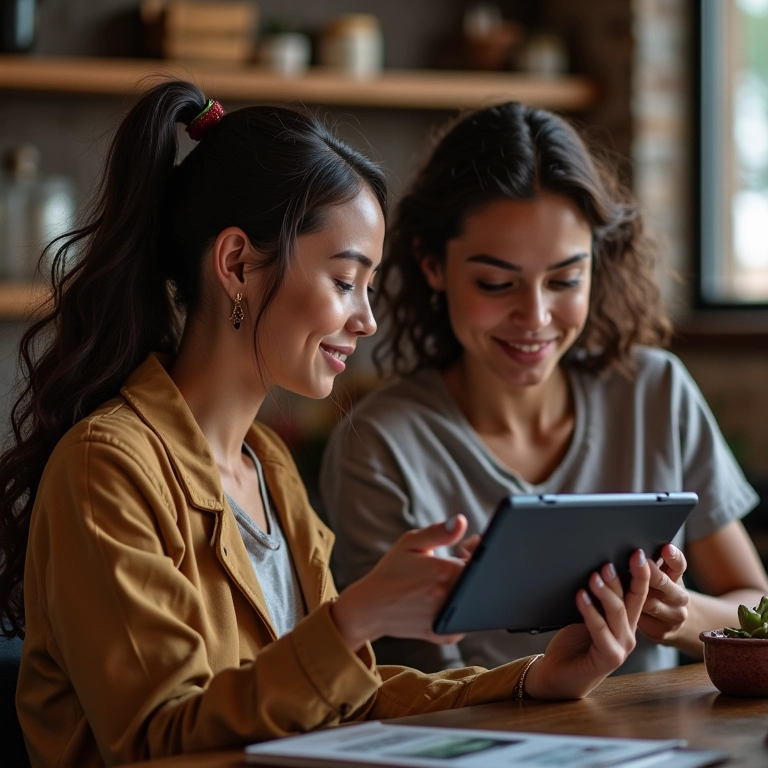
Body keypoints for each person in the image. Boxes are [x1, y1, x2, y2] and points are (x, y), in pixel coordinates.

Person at [0, 82, 651, 768]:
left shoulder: (267, 467)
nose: (367, 319)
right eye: (345, 281)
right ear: (236, 264)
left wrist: (533, 678)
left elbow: (347, 699)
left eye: (369, 287)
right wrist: (355, 618)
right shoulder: (107, 469)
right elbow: (157, 738)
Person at [320, 101, 768, 676]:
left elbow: (753, 609)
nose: (534, 316)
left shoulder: (655, 391)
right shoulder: (380, 444)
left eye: (565, 280)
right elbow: (407, 686)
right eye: (496, 282)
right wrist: (547, 681)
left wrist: (678, 617)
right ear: (432, 265)